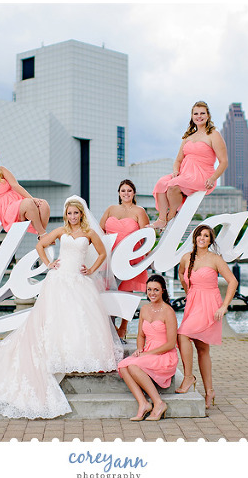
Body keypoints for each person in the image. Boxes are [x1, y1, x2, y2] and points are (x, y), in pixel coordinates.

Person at [0, 196, 123, 419]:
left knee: (79, 320)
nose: (73, 217)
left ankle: (77, 355)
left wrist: (92, 269)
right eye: (69, 213)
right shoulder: (60, 231)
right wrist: (49, 263)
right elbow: (40, 245)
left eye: (76, 213)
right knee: (56, 318)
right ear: (66, 214)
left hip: (79, 279)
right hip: (58, 279)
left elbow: (103, 253)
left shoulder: (88, 233)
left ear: (81, 214)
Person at [175, 224, 238, 409]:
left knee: (183, 334)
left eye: (206, 236)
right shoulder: (186, 258)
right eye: (199, 235)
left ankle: (188, 377)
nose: (202, 238)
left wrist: (224, 306)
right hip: (193, 304)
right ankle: (209, 391)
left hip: (210, 305)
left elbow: (233, 281)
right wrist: (188, 292)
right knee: (202, 349)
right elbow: (181, 274)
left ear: (210, 240)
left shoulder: (215, 259)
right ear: (195, 238)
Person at [149, 101, 228, 230]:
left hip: (202, 175)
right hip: (184, 173)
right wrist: (175, 171)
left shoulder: (213, 134)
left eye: (202, 113)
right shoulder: (188, 137)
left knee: (173, 185)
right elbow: (178, 160)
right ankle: (162, 219)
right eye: (196, 113)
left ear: (208, 115)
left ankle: (172, 215)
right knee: (161, 183)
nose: (199, 116)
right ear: (192, 116)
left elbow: (224, 161)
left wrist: (213, 178)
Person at [117, 275, 178, 421]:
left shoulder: (168, 311)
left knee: (131, 365)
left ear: (163, 290)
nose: (152, 293)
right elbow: (141, 335)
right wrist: (139, 349)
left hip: (165, 355)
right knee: (122, 366)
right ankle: (143, 403)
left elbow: (171, 343)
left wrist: (147, 353)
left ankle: (158, 403)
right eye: (149, 289)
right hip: (148, 352)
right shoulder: (144, 309)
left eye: (156, 290)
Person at [99, 179, 150, 340]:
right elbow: (99, 230)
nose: (126, 193)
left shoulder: (139, 211)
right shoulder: (111, 209)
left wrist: (145, 258)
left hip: (131, 258)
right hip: (110, 256)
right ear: (119, 193)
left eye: (129, 190)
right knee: (107, 292)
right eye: (123, 190)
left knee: (127, 294)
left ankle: (124, 327)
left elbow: (146, 236)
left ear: (134, 193)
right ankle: (110, 328)